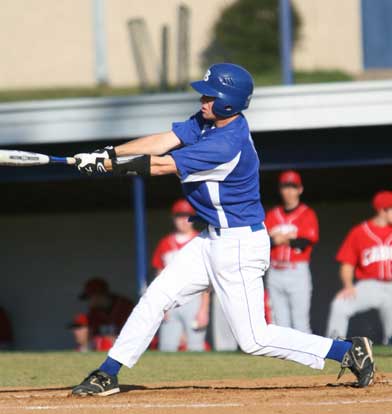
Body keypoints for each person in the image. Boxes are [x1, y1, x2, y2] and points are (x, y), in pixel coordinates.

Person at [71, 63, 374, 396]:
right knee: (155, 297)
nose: (202, 100)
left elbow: (162, 164)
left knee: (254, 339)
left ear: (229, 102)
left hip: (239, 246)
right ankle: (108, 372)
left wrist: (106, 167)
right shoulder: (207, 121)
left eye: (210, 95)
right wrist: (110, 152)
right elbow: (163, 141)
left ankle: (346, 351)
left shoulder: (226, 144)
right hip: (210, 241)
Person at [327, 191, 392, 344]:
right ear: (383, 210)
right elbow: (347, 264)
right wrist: (348, 286)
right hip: (369, 285)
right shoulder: (359, 232)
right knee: (339, 305)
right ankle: (333, 346)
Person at [152, 199, 210, 352]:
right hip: (170, 300)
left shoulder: (202, 240)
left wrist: (204, 309)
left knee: (196, 348)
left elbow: (206, 279)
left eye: (187, 216)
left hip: (194, 299)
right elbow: (159, 275)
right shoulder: (165, 243)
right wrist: (160, 305)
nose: (184, 220)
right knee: (167, 347)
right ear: (173, 218)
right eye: (179, 216)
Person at [265, 170, 319, 333]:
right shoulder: (272, 215)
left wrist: (280, 238)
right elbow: (264, 242)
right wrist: (287, 238)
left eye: (292, 187)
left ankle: (308, 358)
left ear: (300, 189)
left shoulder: (307, 214)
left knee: (300, 322)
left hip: (297, 271)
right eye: (285, 187)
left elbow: (304, 242)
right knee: (279, 323)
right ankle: (283, 359)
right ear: (280, 189)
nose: (289, 191)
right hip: (275, 270)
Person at [79, 278, 134, 345]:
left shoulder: (126, 306)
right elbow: (92, 336)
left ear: (98, 295)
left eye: (89, 297)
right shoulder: (94, 312)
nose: (89, 302)